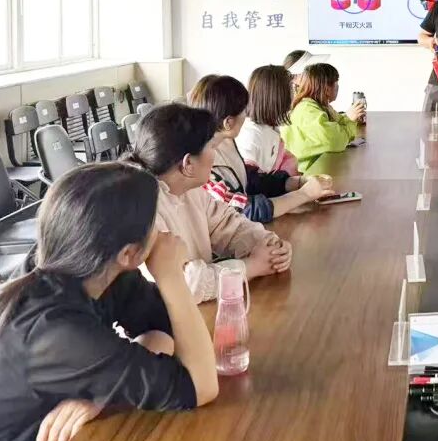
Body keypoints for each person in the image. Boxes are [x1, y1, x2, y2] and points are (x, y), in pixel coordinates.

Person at [0, 164, 218, 441]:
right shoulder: (56, 331)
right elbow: (201, 385)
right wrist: (170, 274)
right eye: (155, 225)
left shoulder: (91, 266)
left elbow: (170, 331)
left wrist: (104, 390)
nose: (163, 234)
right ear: (129, 253)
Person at [127, 103, 293, 303]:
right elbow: (184, 282)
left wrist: (269, 246)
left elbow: (228, 225)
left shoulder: (189, 190)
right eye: (212, 147)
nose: (215, 153)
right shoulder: (142, 210)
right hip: (167, 319)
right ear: (188, 164)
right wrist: (250, 266)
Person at [188, 75, 335, 222]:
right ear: (228, 123)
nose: (246, 115)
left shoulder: (224, 143)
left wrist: (296, 182)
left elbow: (248, 180)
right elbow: (241, 210)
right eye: (243, 111)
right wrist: (304, 194)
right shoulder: (199, 163)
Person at [281, 63, 364, 173]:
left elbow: (337, 121)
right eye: (336, 82)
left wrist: (350, 117)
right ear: (326, 88)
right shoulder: (307, 110)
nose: (338, 87)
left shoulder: (319, 106)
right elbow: (333, 140)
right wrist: (349, 120)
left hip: (318, 166)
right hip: (306, 173)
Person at [237, 65, 300, 176]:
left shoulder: (271, 127)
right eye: (291, 88)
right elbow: (249, 180)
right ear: (278, 94)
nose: (294, 93)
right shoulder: (250, 135)